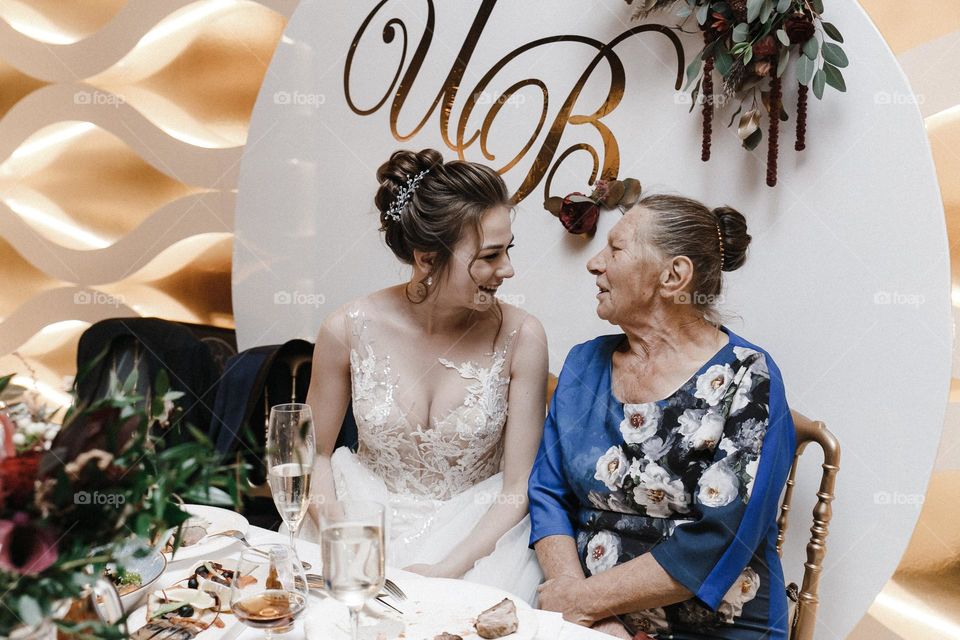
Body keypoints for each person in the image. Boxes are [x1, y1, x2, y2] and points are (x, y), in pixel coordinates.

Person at [528, 194, 796, 638]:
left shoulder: (748, 378)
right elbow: (548, 495)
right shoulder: (583, 365)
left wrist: (588, 602)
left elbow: (720, 538)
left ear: (673, 276)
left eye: (615, 249)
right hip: (587, 619)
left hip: (710, 626)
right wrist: (584, 610)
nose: (594, 263)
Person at [301, 148, 546, 603]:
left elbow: (518, 486)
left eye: (508, 250)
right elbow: (311, 454)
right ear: (427, 258)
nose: (508, 270)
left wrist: (446, 569)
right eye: (490, 256)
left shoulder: (522, 337)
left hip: (476, 540)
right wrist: (342, 538)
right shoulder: (346, 328)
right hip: (357, 519)